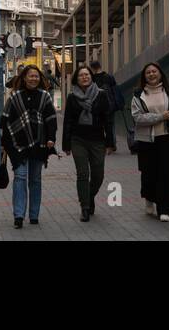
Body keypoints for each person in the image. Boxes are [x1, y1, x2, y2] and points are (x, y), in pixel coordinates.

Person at [0, 64, 58, 229]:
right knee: (20, 177)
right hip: (17, 144)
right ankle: (18, 215)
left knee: (35, 179)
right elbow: (5, 121)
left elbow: (51, 119)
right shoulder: (14, 97)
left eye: (36, 76)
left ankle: (34, 215)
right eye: (30, 76)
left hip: (39, 144)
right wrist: (3, 144)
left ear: (40, 79)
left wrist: (51, 139)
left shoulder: (45, 96)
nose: (34, 79)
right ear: (24, 78)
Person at [131, 62, 169, 222]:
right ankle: (149, 198)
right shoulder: (138, 94)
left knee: (166, 174)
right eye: (148, 72)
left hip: (167, 138)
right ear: (144, 76)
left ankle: (164, 209)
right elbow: (137, 117)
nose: (152, 74)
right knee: (149, 173)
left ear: (160, 73)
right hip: (146, 140)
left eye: (154, 71)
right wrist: (161, 116)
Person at [62, 65, 115, 221]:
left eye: (87, 75)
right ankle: (85, 207)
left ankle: (89, 196)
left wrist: (110, 143)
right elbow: (68, 122)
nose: (84, 77)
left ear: (91, 77)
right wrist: (66, 145)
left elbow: (108, 120)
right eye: (81, 76)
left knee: (98, 175)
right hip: (78, 140)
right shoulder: (72, 97)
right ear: (76, 79)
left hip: (97, 140)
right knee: (83, 173)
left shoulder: (101, 95)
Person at [89, 60, 123, 150]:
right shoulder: (109, 77)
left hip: (97, 106)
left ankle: (102, 144)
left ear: (92, 68)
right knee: (110, 125)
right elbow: (115, 90)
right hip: (110, 105)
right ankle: (111, 145)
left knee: (99, 125)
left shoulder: (92, 79)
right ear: (100, 66)